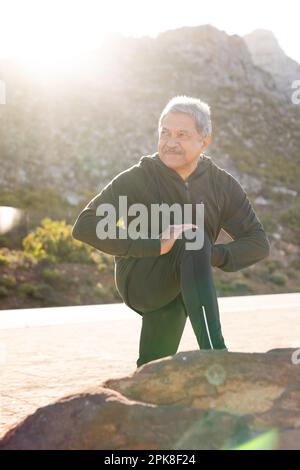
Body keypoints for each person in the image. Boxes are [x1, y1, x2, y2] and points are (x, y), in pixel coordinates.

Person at [71, 95, 270, 368]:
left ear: (204, 141)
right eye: (165, 133)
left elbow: (258, 242)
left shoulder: (221, 185)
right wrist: (156, 244)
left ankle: (147, 379)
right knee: (192, 240)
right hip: (141, 279)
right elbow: (85, 225)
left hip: (185, 281)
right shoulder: (139, 177)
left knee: (154, 369)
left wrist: (211, 254)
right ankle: (217, 356)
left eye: (182, 134)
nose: (170, 142)